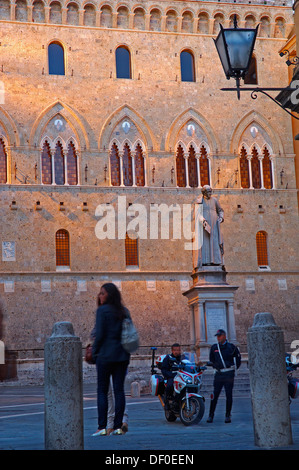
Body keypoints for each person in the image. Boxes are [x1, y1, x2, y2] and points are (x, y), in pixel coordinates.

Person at [92, 283, 130, 436]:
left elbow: (99, 335)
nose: (99, 296)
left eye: (102, 293)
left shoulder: (102, 311)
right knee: (119, 390)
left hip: (105, 357)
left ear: (109, 295)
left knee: (102, 391)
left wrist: (94, 353)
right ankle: (118, 426)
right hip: (121, 356)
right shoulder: (124, 311)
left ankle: (102, 427)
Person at [207, 329, 241, 423]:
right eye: (217, 336)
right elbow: (212, 360)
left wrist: (232, 370)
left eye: (220, 335)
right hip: (219, 374)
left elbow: (238, 360)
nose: (218, 337)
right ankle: (211, 415)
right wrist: (216, 366)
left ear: (225, 336)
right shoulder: (214, 347)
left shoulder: (232, 347)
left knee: (228, 395)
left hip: (229, 374)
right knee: (215, 395)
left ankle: (227, 415)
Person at [193, 185, 224, 269]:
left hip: (214, 224)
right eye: (208, 192)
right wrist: (203, 221)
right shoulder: (200, 201)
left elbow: (220, 210)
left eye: (210, 191)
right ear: (204, 192)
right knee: (205, 243)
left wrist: (221, 217)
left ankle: (216, 261)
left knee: (214, 242)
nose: (210, 193)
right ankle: (205, 262)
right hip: (204, 226)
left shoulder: (215, 200)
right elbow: (197, 213)